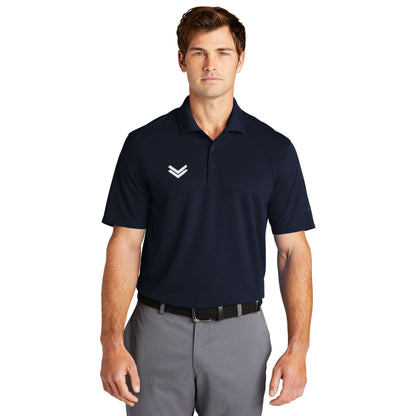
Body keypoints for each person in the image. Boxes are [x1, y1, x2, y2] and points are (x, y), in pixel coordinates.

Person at [100, 6, 315, 416]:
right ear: (182, 60)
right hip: (156, 332)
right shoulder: (145, 145)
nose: (210, 64)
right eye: (199, 52)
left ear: (241, 59)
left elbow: (293, 251)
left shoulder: (274, 150)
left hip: (241, 334)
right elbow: (124, 245)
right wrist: (110, 341)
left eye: (222, 52)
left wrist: (298, 347)